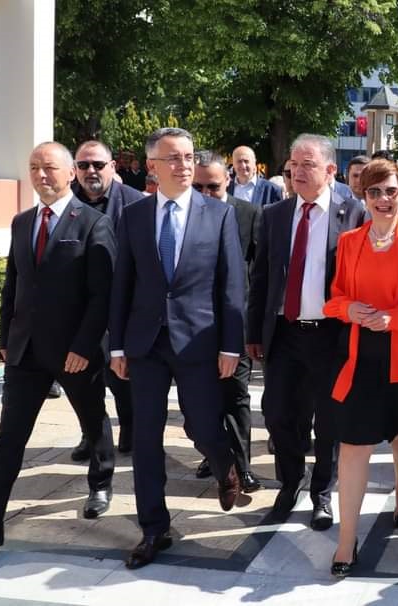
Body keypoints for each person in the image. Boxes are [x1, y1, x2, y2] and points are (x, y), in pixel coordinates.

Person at [0, 142, 116, 546]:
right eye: (33, 168)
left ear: (70, 173)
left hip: (74, 352)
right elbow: (12, 285)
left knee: (93, 420)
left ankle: (100, 483)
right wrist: (5, 338)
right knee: (9, 435)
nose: (41, 175)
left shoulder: (93, 224)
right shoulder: (23, 222)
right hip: (26, 351)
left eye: (49, 167)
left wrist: (84, 346)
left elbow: (102, 295)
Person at [108, 127, 245, 569]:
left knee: (202, 425)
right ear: (152, 166)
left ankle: (224, 463)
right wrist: (117, 347)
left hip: (199, 340)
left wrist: (231, 346)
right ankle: (154, 528)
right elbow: (122, 284)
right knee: (145, 438)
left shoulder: (218, 214)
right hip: (145, 343)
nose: (184, 165)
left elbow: (232, 285)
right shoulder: (134, 216)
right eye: (173, 158)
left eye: (188, 157)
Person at [324, 158, 398, 578]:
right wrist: (348, 309)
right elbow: (336, 296)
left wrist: (394, 318)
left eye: (390, 191)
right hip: (358, 351)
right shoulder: (349, 242)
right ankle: (346, 541)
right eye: (374, 191)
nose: (382, 199)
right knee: (353, 444)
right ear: (364, 196)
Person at [246, 134, 364, 531]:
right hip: (283, 333)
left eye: (307, 164)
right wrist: (254, 331)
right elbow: (261, 278)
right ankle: (290, 482)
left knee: (328, 420)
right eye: (293, 164)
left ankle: (322, 493)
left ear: (330, 170)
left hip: (331, 334)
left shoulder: (353, 214)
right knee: (279, 414)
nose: (297, 171)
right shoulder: (275, 214)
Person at [192, 151, 263, 493]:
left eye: (213, 187)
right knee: (201, 399)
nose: (206, 194)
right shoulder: (181, 216)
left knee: (235, 396)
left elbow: (258, 273)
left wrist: (254, 328)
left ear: (228, 181)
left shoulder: (248, 214)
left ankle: (242, 466)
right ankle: (215, 454)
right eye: (198, 187)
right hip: (194, 326)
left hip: (236, 323)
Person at [71, 140, 145, 458]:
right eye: (84, 165)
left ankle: (129, 426)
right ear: (74, 169)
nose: (91, 171)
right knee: (83, 378)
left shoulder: (135, 203)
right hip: (80, 308)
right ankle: (92, 434)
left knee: (121, 376)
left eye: (98, 165)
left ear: (112, 167)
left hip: (123, 306)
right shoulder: (65, 202)